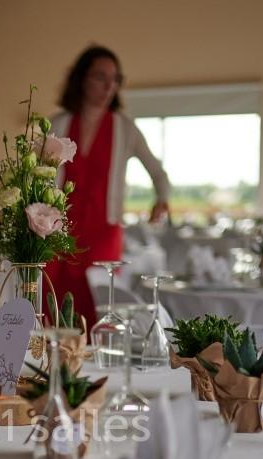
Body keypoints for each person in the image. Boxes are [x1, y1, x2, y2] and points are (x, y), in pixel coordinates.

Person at [47, 45, 170, 331]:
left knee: (97, 303)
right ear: (82, 79)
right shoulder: (59, 123)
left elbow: (158, 172)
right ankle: (56, 363)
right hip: (58, 231)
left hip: (103, 231)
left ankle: (95, 366)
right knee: (55, 302)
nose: (109, 86)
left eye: (115, 79)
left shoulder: (124, 127)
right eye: (101, 77)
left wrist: (161, 199)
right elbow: (34, 174)